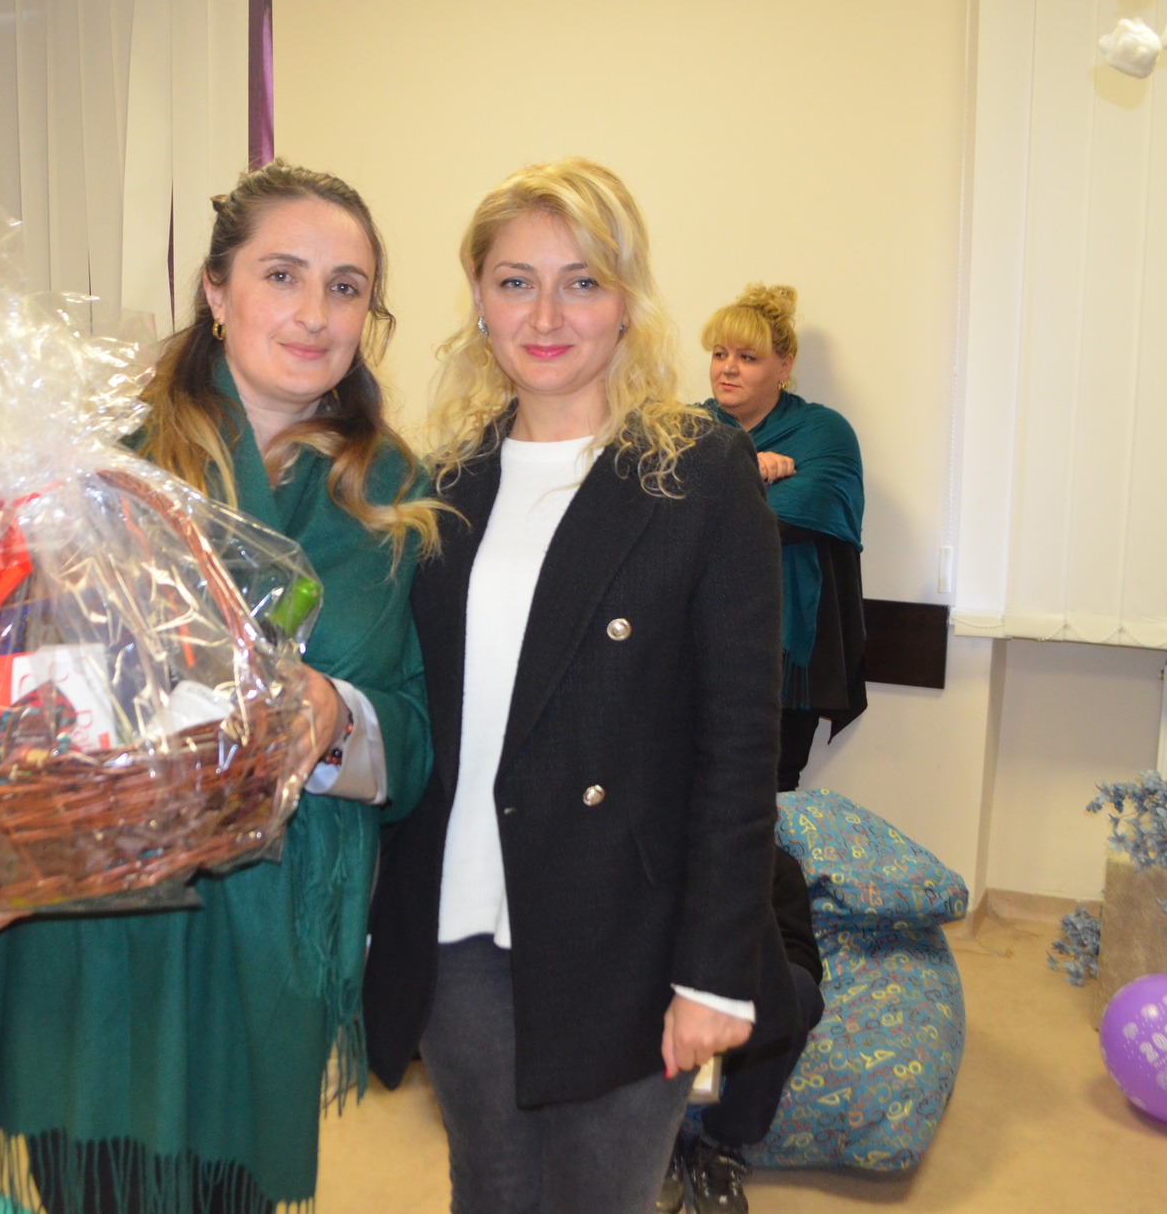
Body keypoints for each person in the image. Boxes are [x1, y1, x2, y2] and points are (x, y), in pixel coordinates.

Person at [0, 160, 439, 1214]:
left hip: (269, 942)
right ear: (216, 291)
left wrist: (335, 719)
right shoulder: (91, 466)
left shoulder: (397, 495)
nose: (315, 313)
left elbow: (415, 726)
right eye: (282, 275)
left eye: (346, 287)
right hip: (89, 935)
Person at [360, 158, 798, 1214]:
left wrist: (714, 972)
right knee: (488, 1188)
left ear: (628, 299)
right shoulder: (441, 478)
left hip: (625, 932)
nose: (546, 316)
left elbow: (740, 747)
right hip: (460, 918)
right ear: (478, 299)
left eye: (582, 282)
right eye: (516, 282)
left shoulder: (698, 474)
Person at [702, 284, 866, 792]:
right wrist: (747, 468)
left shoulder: (824, 434)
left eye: (748, 357)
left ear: (784, 366)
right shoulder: (686, 429)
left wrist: (721, 481)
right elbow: (656, 516)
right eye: (720, 354)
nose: (728, 369)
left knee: (767, 794)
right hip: (691, 643)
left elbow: (770, 524)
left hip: (783, 655)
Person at [658, 849, 824, 1213]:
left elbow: (802, 957)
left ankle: (721, 1148)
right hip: (672, 1003)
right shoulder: (663, 856)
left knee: (799, 987)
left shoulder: (779, 868)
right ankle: (656, 1145)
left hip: (749, 1009)